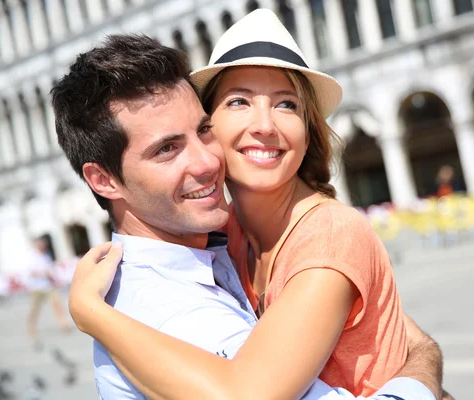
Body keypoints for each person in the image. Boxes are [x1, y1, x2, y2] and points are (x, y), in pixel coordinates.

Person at [54, 31, 444, 399]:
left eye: (202, 130)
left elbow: (392, 330)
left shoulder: (227, 242)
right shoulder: (177, 312)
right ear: (103, 180)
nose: (206, 161)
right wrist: (424, 372)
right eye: (167, 149)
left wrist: (417, 348)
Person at [26, 236, 70, 347]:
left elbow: (50, 270)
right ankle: (31, 327)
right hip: (36, 287)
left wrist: (54, 279)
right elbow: (30, 273)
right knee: (35, 309)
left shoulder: (46, 255)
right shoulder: (31, 256)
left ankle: (63, 324)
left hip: (48, 285)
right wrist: (43, 274)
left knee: (57, 304)